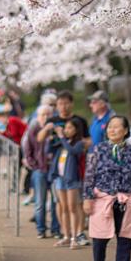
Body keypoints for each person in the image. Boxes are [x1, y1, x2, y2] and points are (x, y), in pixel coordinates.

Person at [83, 115, 131, 261]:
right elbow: (89, 175)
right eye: (110, 127)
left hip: (128, 200)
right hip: (103, 200)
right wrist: (87, 198)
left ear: (125, 131)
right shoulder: (98, 149)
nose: (112, 130)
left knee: (125, 240)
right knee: (99, 240)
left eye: (117, 127)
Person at [40, 91, 90, 246]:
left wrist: (75, 143)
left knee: (76, 204)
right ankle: (65, 234)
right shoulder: (52, 120)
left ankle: (78, 234)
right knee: (60, 205)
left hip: (73, 168)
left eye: (66, 103)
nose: (63, 106)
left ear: (71, 103)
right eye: (60, 103)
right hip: (58, 168)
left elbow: (88, 141)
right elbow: (41, 139)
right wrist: (47, 129)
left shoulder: (79, 121)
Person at [23, 104, 61, 239]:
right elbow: (28, 150)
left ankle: (56, 229)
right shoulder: (33, 129)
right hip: (40, 169)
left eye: (48, 114)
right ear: (38, 117)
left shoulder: (57, 129)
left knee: (56, 201)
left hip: (55, 170)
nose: (45, 117)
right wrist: (35, 165)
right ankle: (41, 229)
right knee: (40, 202)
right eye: (42, 114)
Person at [49, 118, 86, 248]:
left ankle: (74, 238)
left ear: (76, 130)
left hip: (72, 179)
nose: (66, 130)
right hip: (60, 178)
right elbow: (50, 149)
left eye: (70, 128)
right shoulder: (61, 143)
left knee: (72, 208)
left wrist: (61, 137)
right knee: (63, 207)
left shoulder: (79, 143)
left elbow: (72, 151)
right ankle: (66, 236)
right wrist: (54, 136)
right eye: (66, 128)